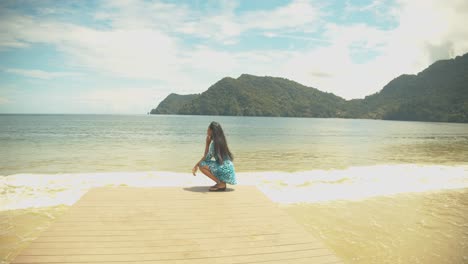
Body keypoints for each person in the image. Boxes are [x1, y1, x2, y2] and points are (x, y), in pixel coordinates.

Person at [192, 121, 237, 191]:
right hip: (229, 172)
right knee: (206, 164)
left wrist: (207, 144)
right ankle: (221, 183)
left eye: (208, 129)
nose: (207, 131)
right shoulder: (222, 141)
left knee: (202, 165)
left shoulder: (214, 144)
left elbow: (206, 158)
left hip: (225, 171)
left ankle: (220, 183)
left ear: (212, 131)